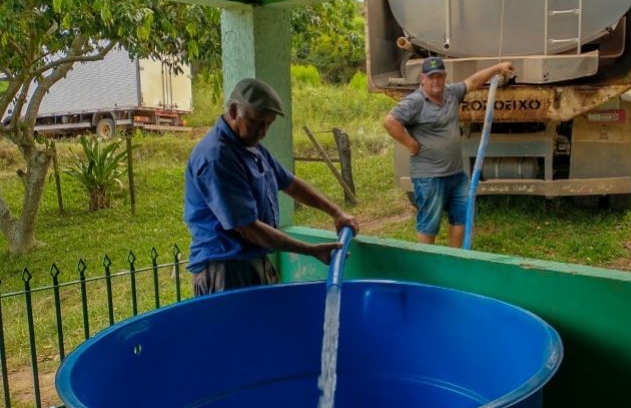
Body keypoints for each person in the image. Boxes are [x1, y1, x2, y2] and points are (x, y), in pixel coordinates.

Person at [184, 78, 359, 296]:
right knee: (239, 331)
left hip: (252, 261)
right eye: (257, 121)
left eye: (268, 123)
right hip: (226, 270)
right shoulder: (217, 157)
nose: (262, 130)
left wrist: (336, 213)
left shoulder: (251, 148)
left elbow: (290, 183)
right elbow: (249, 228)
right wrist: (310, 250)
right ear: (233, 110)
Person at [383, 57, 514, 247]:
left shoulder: (451, 93)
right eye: (431, 77)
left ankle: (455, 259)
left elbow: (473, 81)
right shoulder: (415, 101)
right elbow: (390, 122)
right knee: (429, 223)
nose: (436, 81)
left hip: (456, 174)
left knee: (461, 217)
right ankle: (428, 266)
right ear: (423, 78)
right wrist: (410, 144)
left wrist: (498, 67)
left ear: (444, 77)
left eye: (439, 76)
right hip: (430, 176)